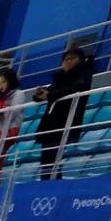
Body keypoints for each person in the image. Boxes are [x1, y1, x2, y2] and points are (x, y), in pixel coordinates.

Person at [35, 42, 94, 179]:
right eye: (65, 60)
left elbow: (76, 88)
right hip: (50, 123)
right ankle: (47, 187)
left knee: (54, 158)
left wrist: (49, 95)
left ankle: (55, 188)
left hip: (64, 122)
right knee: (46, 160)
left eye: (71, 59)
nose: (67, 62)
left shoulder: (82, 74)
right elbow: (45, 94)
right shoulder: (59, 77)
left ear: (79, 60)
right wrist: (40, 93)